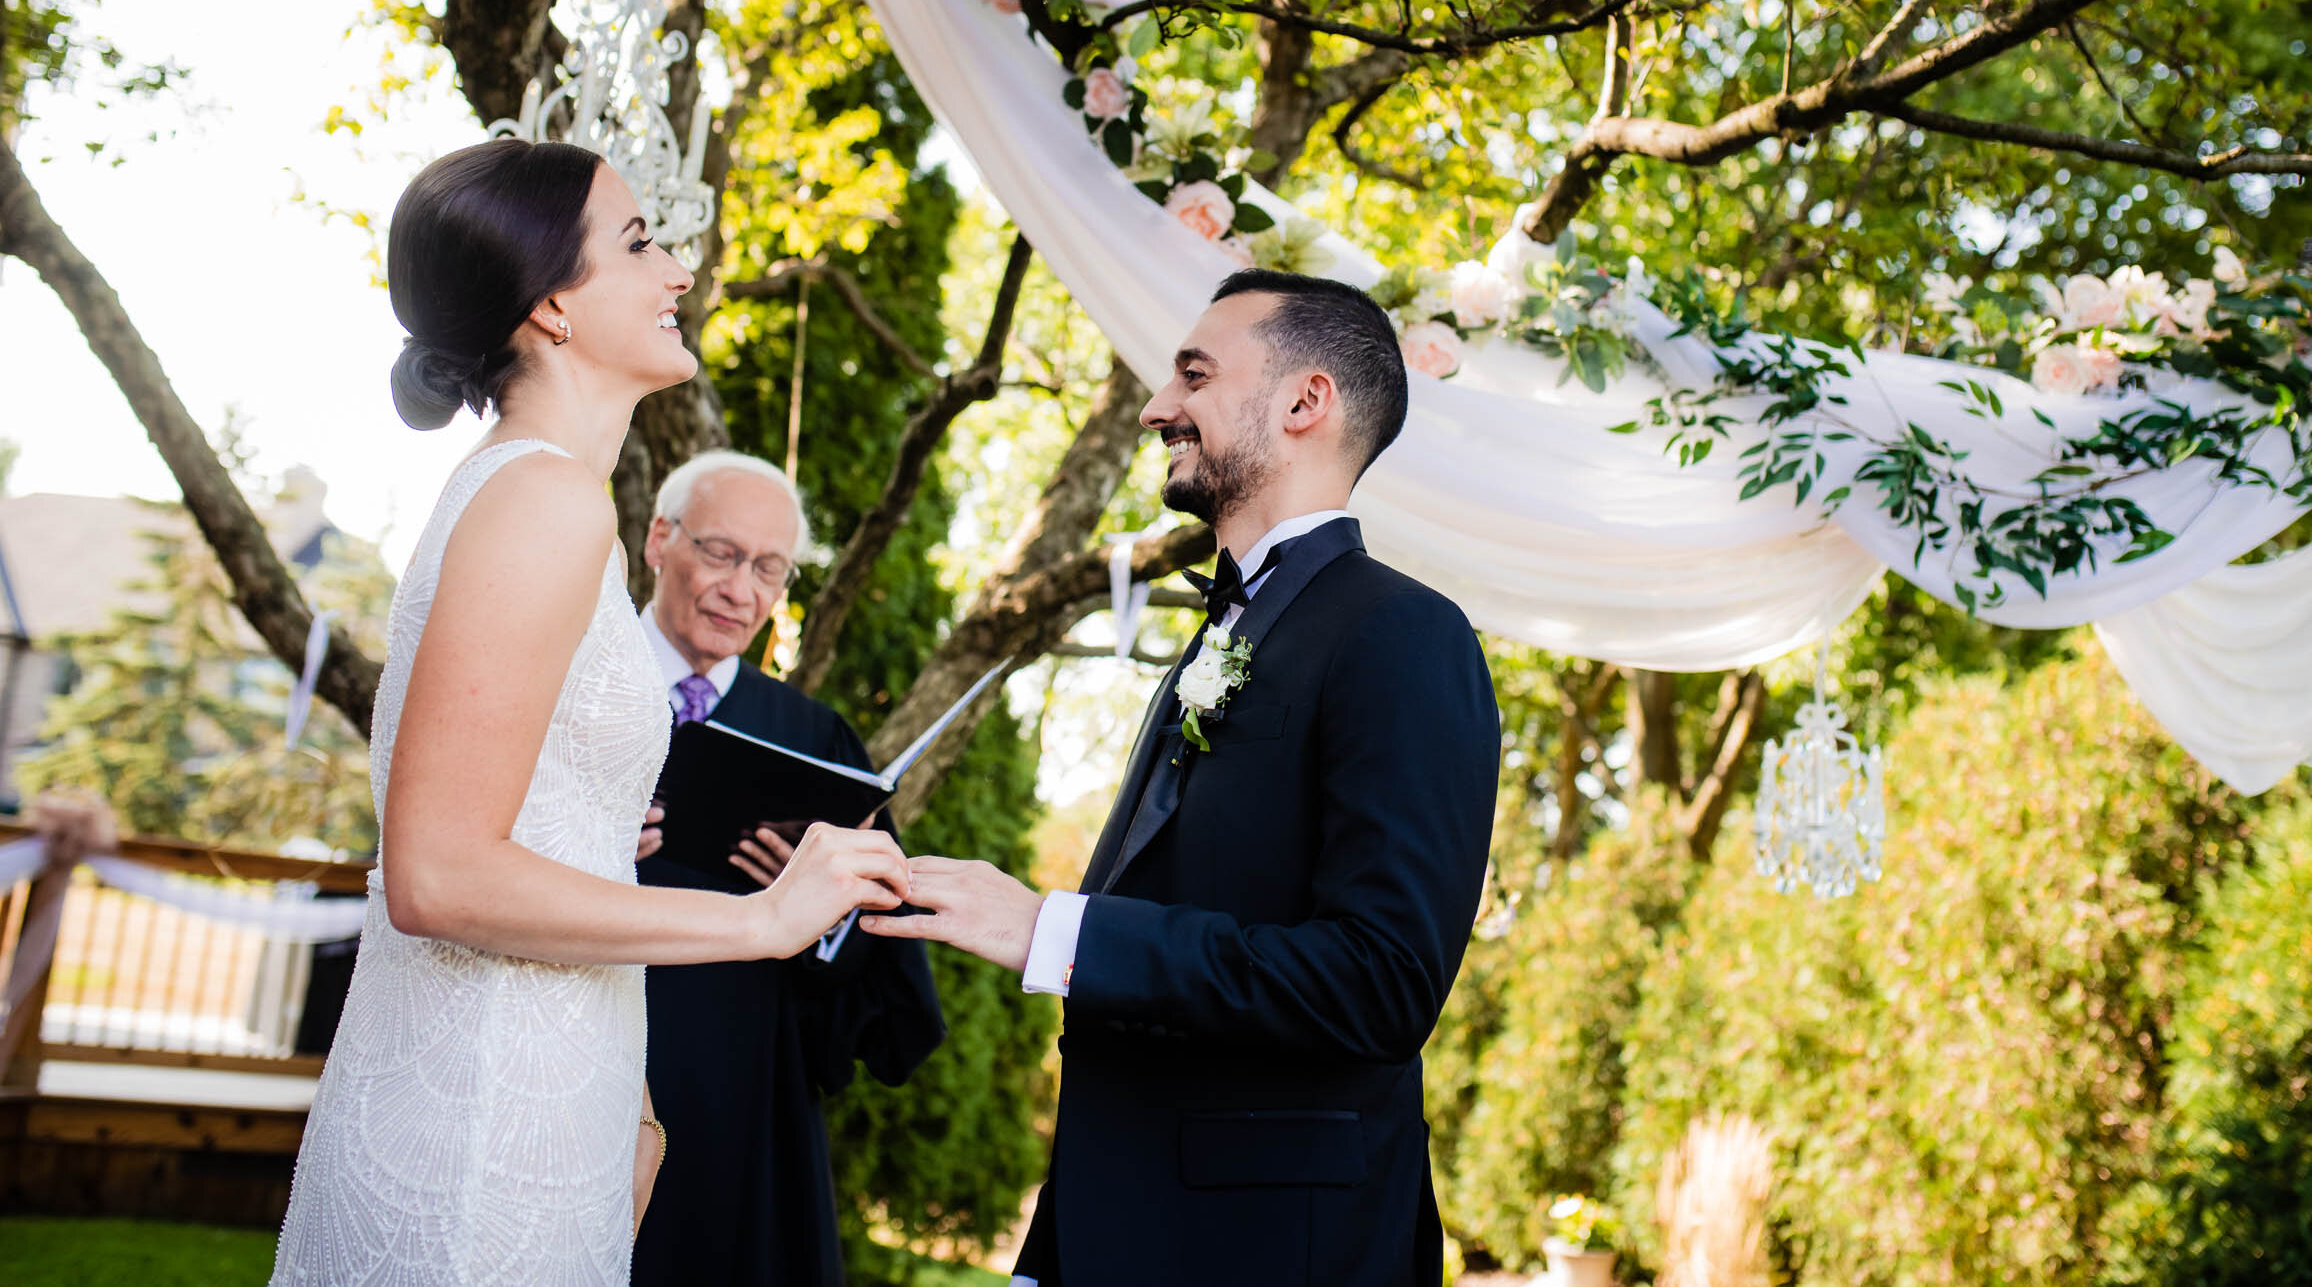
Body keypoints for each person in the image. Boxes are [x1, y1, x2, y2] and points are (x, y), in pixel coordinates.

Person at [271, 140, 910, 1287]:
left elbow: (546, 831)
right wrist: (764, 921)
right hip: (479, 1126)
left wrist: (637, 1097)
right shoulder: (543, 499)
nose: (676, 268)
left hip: (552, 1099)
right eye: (639, 241)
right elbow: (439, 876)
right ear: (554, 304)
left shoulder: (543, 494)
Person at [864, 268, 1502, 1286]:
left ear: (1304, 402)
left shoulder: (1404, 633)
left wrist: (1054, 931)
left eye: (1193, 375)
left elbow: (1379, 984)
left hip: (1271, 1249)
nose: (1159, 405)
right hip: (1110, 1227)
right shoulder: (1213, 638)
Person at [632, 449, 945, 1286]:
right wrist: (579, 837)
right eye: (722, 553)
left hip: (744, 1091)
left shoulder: (816, 740)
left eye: (770, 568)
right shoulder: (568, 684)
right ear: (660, 538)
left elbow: (885, 969)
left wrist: (827, 912)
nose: (744, 590)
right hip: (583, 1055)